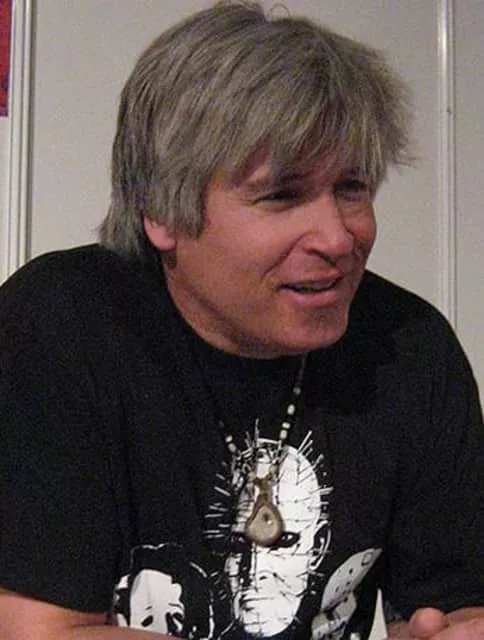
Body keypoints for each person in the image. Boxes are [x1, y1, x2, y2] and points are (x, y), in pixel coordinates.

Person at [0, 1, 483, 639]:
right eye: (282, 195)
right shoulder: (59, 326)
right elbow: (40, 632)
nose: (338, 238)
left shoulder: (409, 348)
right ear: (162, 212)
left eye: (352, 187)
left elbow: (454, 607)